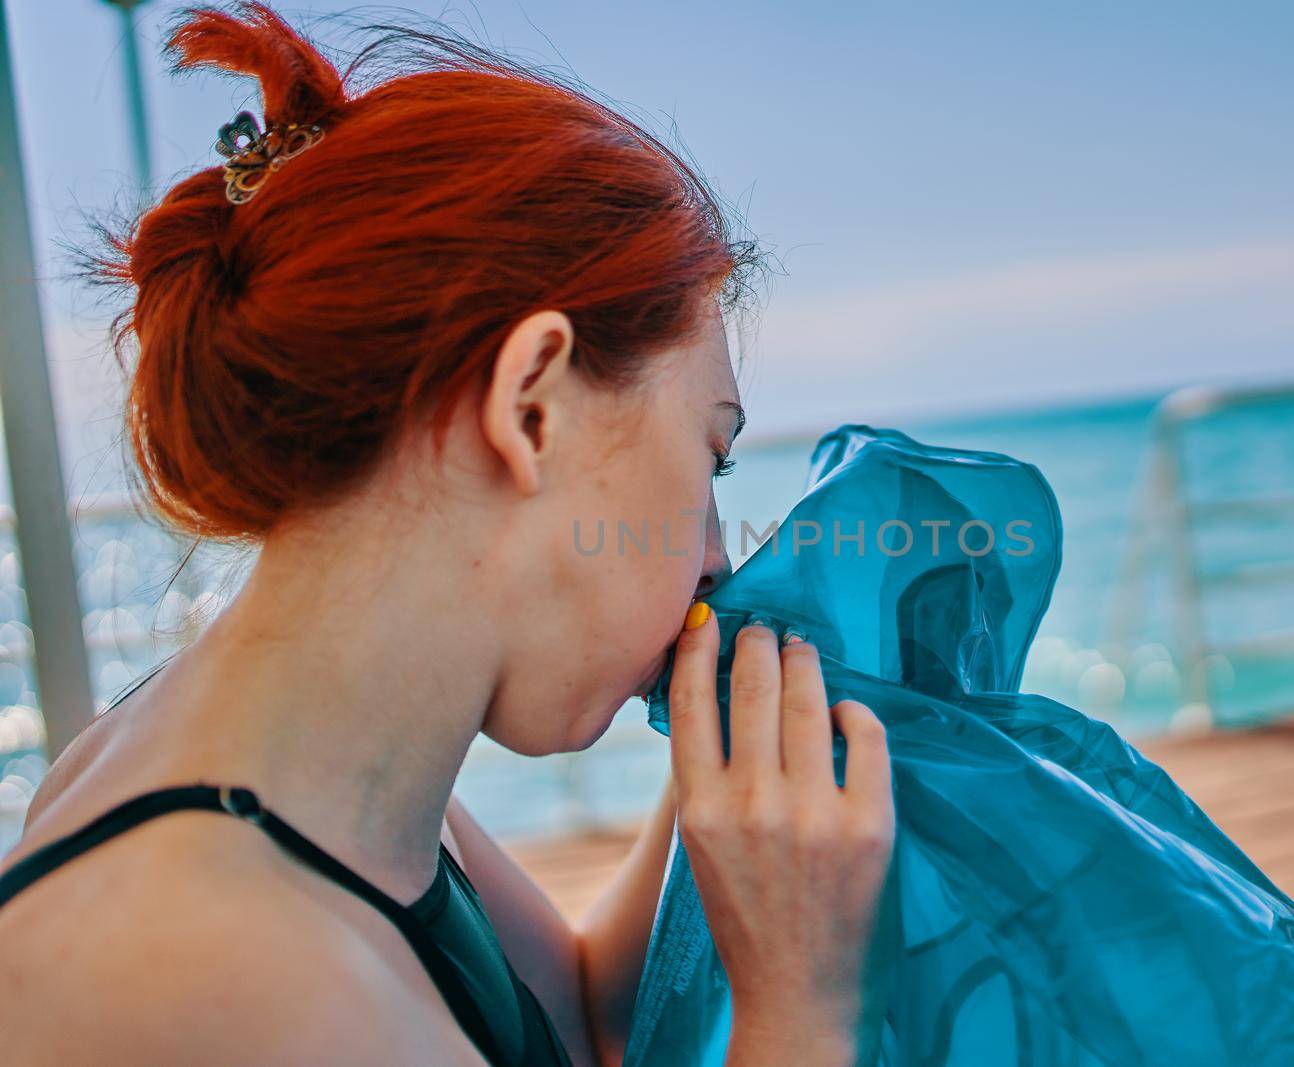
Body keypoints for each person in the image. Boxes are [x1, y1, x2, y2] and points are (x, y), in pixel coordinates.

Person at [0, 3, 896, 1065]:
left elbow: (572, 1013)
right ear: (531, 408)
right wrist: (802, 1010)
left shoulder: (309, 769)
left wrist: (741, 808)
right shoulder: (220, 979)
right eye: (713, 458)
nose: (717, 554)